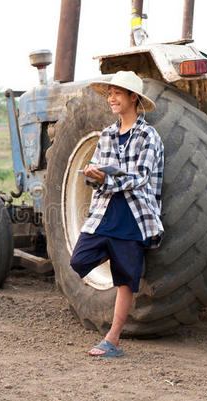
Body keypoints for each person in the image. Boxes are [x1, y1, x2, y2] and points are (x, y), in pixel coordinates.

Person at [69, 71, 164, 358]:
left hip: (134, 216)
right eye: (109, 93)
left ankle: (113, 340)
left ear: (133, 97)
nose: (111, 98)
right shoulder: (108, 134)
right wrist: (92, 175)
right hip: (105, 213)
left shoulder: (149, 136)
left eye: (117, 93)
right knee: (78, 260)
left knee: (125, 282)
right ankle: (119, 255)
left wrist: (107, 179)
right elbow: (98, 171)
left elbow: (140, 177)